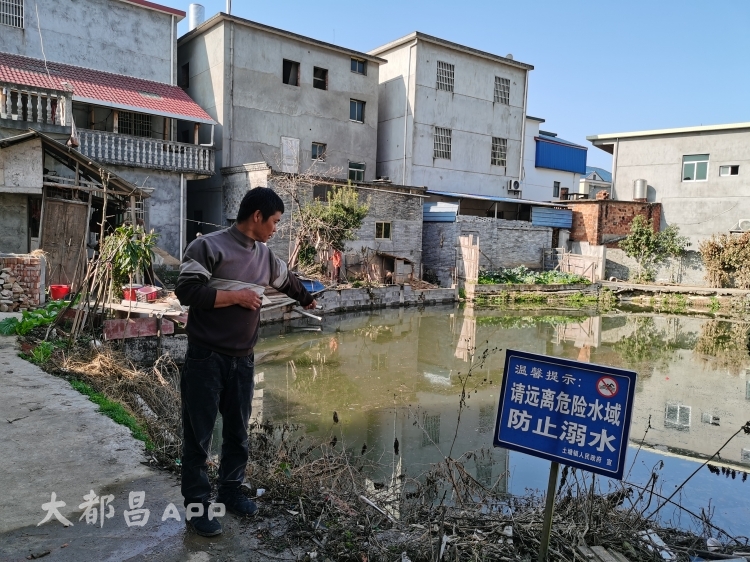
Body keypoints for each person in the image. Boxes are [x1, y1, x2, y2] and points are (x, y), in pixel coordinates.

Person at [175, 188, 316, 537]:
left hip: (243, 359)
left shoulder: (265, 257)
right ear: (257, 216)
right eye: (274, 222)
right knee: (199, 437)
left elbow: (288, 280)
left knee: (238, 433)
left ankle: (230, 492)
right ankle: (197, 509)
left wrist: (307, 299)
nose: (275, 229)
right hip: (206, 357)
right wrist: (236, 296)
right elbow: (187, 291)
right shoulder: (208, 246)